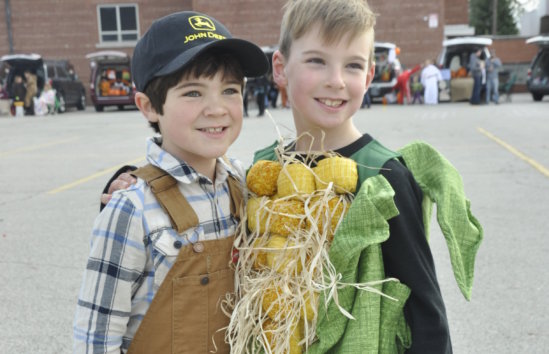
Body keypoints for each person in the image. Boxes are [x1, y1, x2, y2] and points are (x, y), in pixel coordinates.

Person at [102, 1, 483, 352]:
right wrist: (130, 182)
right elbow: (201, 194)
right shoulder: (263, 168)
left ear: (369, 74)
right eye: (317, 61)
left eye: (352, 65)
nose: (336, 80)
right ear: (281, 68)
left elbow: (426, 311)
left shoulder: (383, 175)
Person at [73, 10, 268, 354]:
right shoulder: (131, 208)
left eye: (229, 90)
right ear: (149, 106)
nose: (217, 108)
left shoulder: (242, 183)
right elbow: (95, 341)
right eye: (193, 93)